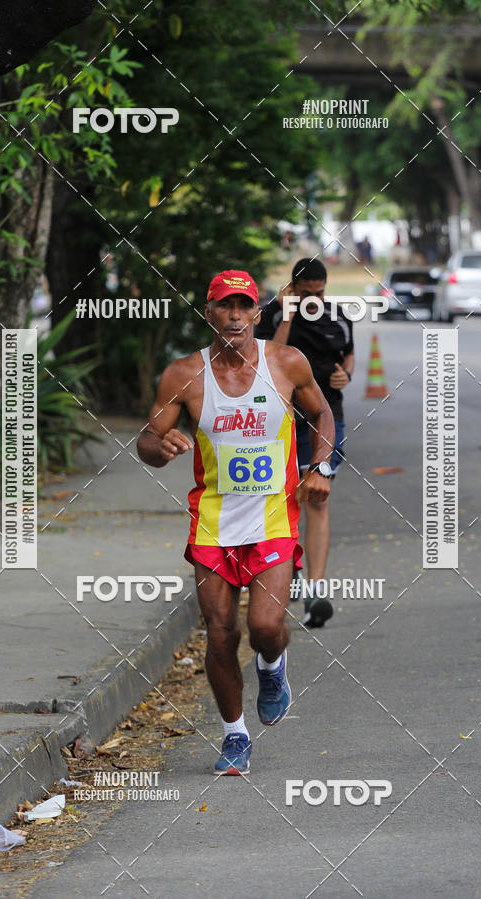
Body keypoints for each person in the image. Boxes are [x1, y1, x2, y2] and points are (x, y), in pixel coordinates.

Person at [137, 270, 335, 775]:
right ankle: (234, 736)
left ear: (257, 313)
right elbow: (146, 443)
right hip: (212, 525)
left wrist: (321, 467)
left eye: (244, 306)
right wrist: (162, 448)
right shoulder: (184, 374)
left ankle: (273, 667)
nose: (235, 315)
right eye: (225, 306)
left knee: (265, 627)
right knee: (220, 633)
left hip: (272, 518)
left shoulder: (286, 363)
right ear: (209, 312)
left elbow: (323, 414)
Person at [255, 258, 354, 627]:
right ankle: (287, 573)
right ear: (292, 288)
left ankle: (315, 590)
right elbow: (268, 361)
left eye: (320, 293)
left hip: (326, 420)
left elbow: (348, 358)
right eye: (305, 293)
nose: (314, 299)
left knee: (316, 501)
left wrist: (347, 375)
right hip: (277, 422)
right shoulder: (270, 315)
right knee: (285, 498)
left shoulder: (338, 315)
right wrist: (287, 315)